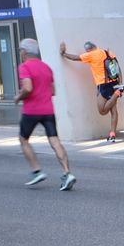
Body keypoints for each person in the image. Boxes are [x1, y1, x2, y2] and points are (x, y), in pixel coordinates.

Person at [14, 38, 76, 192]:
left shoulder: (24, 67)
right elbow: (53, 91)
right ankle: (67, 173)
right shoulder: (47, 67)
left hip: (32, 111)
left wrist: (19, 97)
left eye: (21, 50)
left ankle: (37, 171)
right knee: (55, 142)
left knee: (23, 139)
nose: (20, 53)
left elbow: (27, 87)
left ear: (24, 52)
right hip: (48, 110)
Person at [58, 40, 124, 142]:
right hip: (115, 83)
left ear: (88, 49)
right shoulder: (107, 51)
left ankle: (117, 93)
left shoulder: (91, 55)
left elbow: (75, 58)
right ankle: (112, 134)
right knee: (113, 111)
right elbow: (117, 67)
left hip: (103, 85)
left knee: (102, 111)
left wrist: (63, 53)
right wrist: (120, 83)